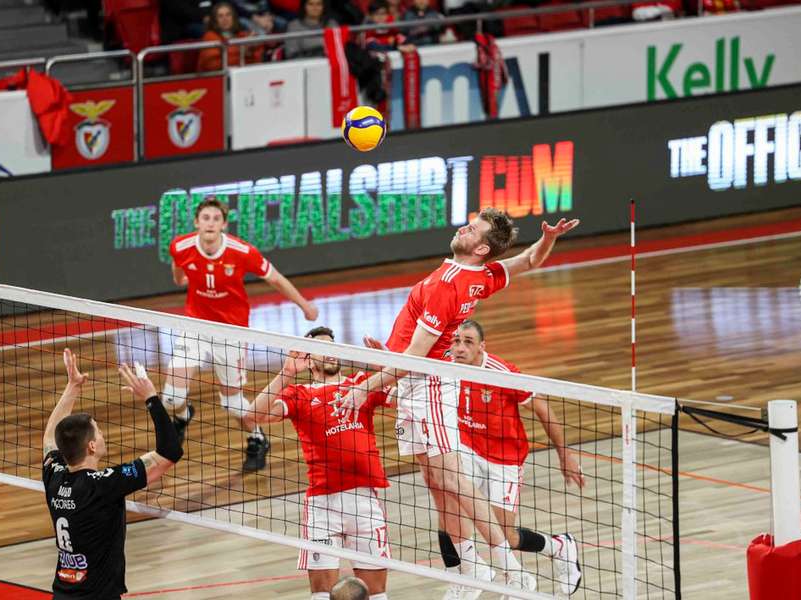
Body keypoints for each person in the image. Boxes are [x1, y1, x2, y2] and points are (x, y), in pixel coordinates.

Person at [342, 208, 580, 593]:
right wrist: (549, 236)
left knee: (454, 480)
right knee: (436, 483)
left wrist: (367, 386)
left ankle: (512, 572)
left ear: (482, 247)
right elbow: (531, 259)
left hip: (427, 386)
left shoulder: (449, 285)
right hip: (413, 384)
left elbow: (417, 355)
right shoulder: (479, 278)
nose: (462, 228)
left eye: (472, 229)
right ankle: (472, 569)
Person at [165, 197, 319, 472]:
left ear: (223, 224)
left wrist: (305, 306)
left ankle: (257, 439)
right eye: (205, 218)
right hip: (195, 326)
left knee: (233, 404)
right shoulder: (181, 245)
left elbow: (275, 279)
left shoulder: (242, 251)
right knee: (171, 398)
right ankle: (182, 414)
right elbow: (178, 270)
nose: (210, 223)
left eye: (215, 218)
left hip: (231, 331)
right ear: (196, 223)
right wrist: (180, 280)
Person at [440, 319, 585, 597]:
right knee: (449, 506)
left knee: (506, 534)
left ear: (482, 346)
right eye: (456, 341)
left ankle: (559, 547)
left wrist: (564, 454)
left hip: (504, 459)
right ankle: (465, 577)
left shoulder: (501, 372)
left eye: (468, 342)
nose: (459, 347)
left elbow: (542, 409)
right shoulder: (445, 362)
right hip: (468, 449)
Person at [247, 327, 390, 600]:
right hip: (323, 506)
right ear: (309, 360)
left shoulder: (362, 384)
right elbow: (253, 415)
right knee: (322, 595)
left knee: (377, 594)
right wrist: (286, 372)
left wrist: (385, 367)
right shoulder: (298, 393)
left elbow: (406, 396)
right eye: (321, 348)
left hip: (365, 502)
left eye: (332, 345)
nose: (330, 351)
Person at [42, 349, 185, 599]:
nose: (102, 434)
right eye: (98, 432)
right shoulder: (104, 484)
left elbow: (49, 439)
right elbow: (170, 452)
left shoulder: (54, 477)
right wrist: (151, 398)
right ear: (92, 447)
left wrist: (73, 386)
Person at [198, 1, 264, 71]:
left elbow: (256, 62)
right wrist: (242, 52)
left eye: (228, 15)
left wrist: (251, 51)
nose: (225, 19)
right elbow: (213, 66)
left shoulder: (242, 35)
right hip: (215, 80)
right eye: (220, 16)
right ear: (215, 20)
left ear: (233, 17)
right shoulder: (210, 36)